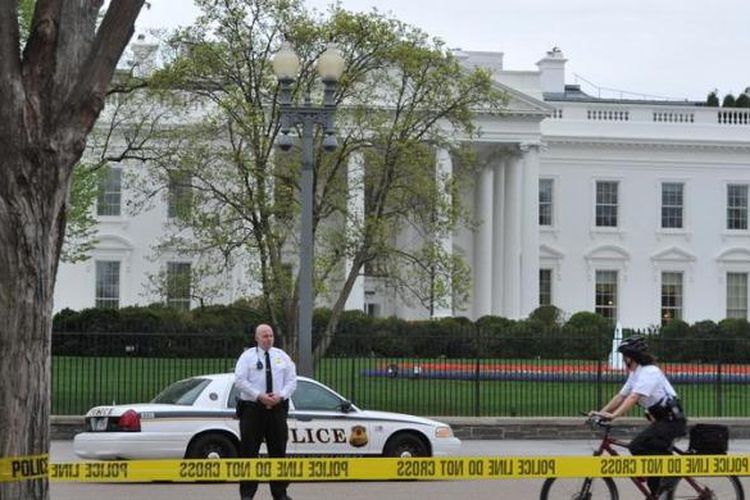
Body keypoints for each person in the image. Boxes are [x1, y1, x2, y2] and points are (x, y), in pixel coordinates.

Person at [591, 334, 686, 496]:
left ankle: (673, 470)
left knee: (637, 445)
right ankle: (659, 494)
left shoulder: (650, 372)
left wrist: (614, 416)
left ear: (631, 357)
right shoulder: (636, 373)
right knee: (648, 463)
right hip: (661, 421)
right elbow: (621, 396)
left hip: (671, 421)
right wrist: (602, 413)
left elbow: (634, 397)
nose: (623, 359)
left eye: (624, 356)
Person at [234, 324, 297, 500]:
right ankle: (247, 495)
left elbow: (292, 380)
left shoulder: (282, 356)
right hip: (253, 410)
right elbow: (239, 380)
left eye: (270, 335)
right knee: (249, 452)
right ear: (256, 338)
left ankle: (280, 493)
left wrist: (281, 395)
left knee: (278, 452)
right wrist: (259, 395)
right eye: (264, 336)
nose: (268, 338)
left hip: (277, 409)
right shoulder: (247, 357)